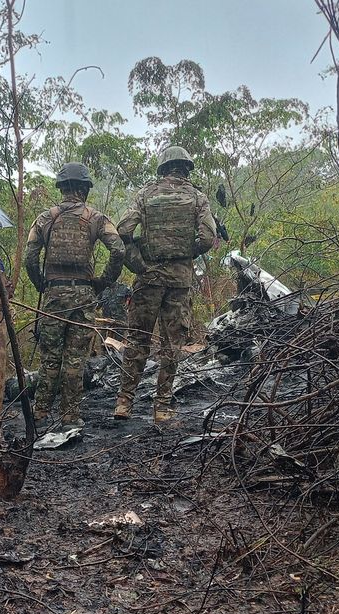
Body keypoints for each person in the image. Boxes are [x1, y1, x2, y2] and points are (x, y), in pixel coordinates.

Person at [114, 146, 218, 423]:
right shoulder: (197, 197)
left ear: (162, 168)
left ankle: (124, 403)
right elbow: (208, 238)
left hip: (148, 278)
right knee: (173, 344)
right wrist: (185, 254)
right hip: (179, 282)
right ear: (186, 168)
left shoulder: (145, 194)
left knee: (137, 339)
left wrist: (138, 264)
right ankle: (161, 406)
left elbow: (123, 230)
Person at [24, 162, 125, 427]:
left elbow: (30, 257)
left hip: (54, 295)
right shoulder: (96, 218)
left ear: (62, 188)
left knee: (50, 358)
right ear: (84, 189)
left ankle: (40, 413)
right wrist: (102, 282)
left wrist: (40, 284)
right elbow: (119, 250)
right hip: (83, 295)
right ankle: (70, 415)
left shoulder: (45, 218)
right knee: (75, 359)